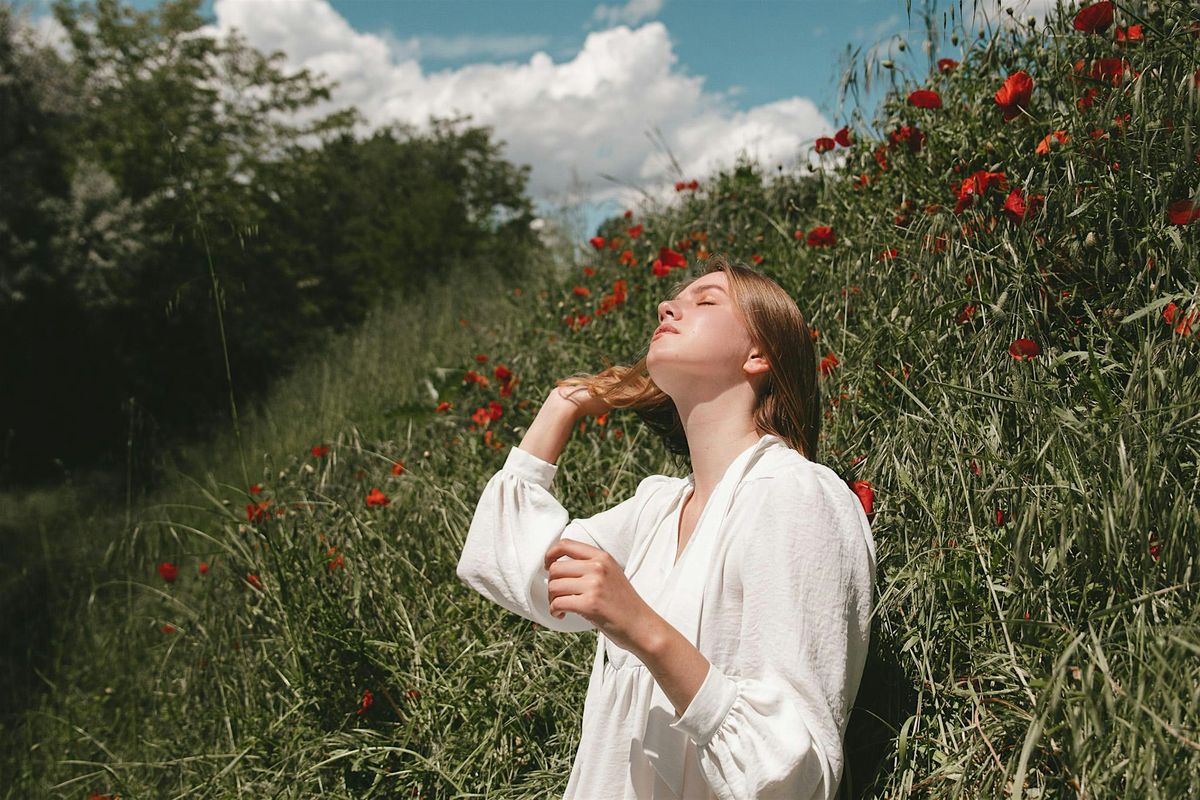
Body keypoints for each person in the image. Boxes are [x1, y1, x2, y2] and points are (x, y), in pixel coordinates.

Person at [456, 254, 877, 800]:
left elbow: (797, 774)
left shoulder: (796, 494)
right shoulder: (657, 509)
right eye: (675, 298)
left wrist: (643, 627)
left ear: (758, 355)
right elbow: (512, 564)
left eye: (705, 300)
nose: (666, 306)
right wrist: (564, 404)